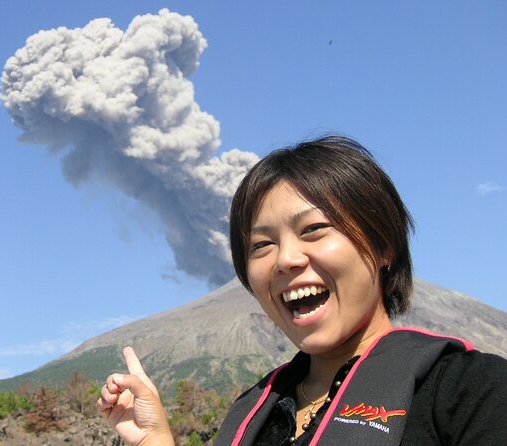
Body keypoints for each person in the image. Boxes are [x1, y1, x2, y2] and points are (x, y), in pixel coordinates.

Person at [97, 136, 507, 445]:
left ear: (384, 245)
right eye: (261, 245)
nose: (285, 260)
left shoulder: (471, 392)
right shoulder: (253, 413)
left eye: (314, 230)